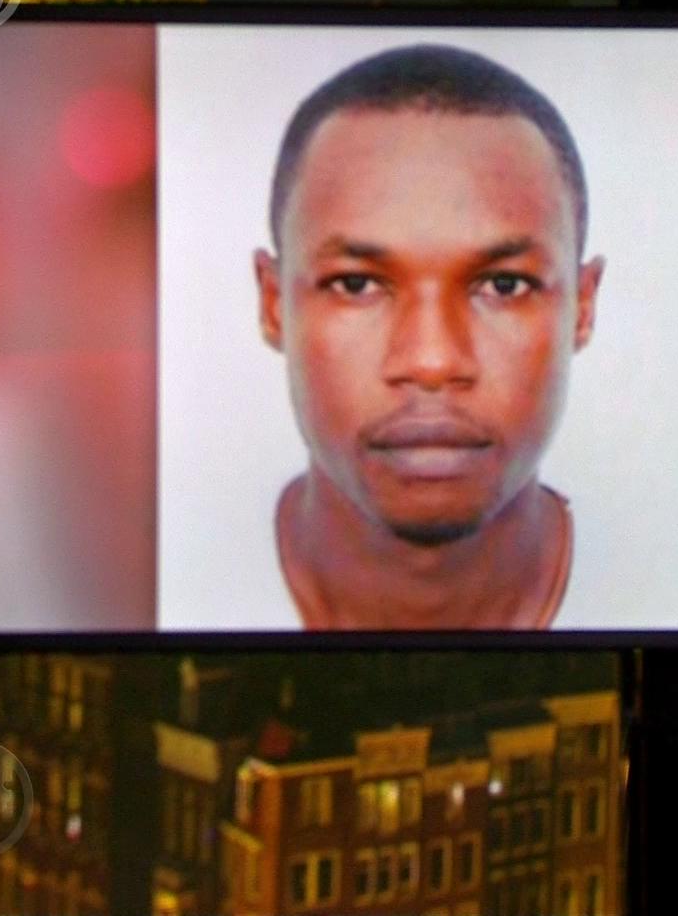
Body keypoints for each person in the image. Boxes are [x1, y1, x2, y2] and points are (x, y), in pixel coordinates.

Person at [253, 44, 605, 630]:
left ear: (582, 307)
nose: (432, 360)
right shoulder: (159, 594)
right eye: (356, 284)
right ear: (272, 304)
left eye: (504, 284)